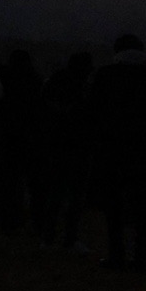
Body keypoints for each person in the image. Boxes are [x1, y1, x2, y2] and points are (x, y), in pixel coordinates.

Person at [89, 33, 146, 270]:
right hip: (143, 149)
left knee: (113, 205)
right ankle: (141, 257)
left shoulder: (105, 75)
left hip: (111, 149)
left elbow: (93, 111)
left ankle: (117, 255)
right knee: (142, 204)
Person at [43, 50, 95, 250]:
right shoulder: (84, 88)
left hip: (57, 146)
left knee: (55, 194)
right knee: (75, 197)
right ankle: (70, 239)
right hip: (79, 147)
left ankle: (47, 239)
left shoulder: (54, 83)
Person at [0, 48, 44, 235]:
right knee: (33, 182)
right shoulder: (35, 81)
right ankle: (37, 220)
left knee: (8, 180)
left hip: (7, 137)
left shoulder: (5, 80)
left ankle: (9, 219)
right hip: (31, 137)